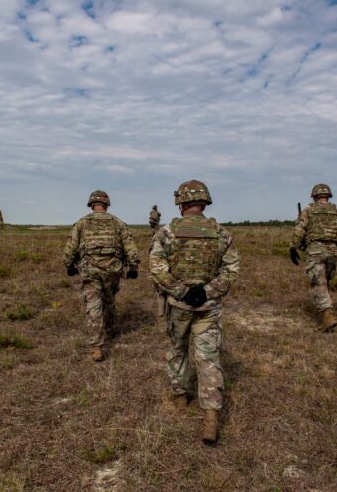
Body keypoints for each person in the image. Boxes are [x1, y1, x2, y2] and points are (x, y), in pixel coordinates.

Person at [150, 180, 240, 444]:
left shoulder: (166, 232)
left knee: (178, 349)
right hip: (208, 309)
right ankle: (211, 415)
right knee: (208, 359)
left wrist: (180, 291)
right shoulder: (220, 233)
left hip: (179, 307)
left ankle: (180, 395)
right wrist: (209, 291)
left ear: (181, 203)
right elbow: (231, 269)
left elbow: (156, 267)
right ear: (204, 202)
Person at [62, 190, 140, 362]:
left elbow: (70, 248)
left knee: (94, 304)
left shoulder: (82, 223)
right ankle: (109, 331)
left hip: (90, 270)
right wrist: (133, 267)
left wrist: (69, 266)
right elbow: (130, 248)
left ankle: (97, 346)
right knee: (109, 299)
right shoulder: (118, 223)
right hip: (112, 270)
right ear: (106, 204)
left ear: (91, 205)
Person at [289, 183, 337, 332]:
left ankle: (327, 316)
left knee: (319, 283)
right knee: (325, 281)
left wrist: (293, 247)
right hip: (332, 251)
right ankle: (325, 310)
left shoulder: (308, 211)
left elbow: (299, 229)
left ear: (314, 196)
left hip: (315, 250)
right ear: (328, 196)